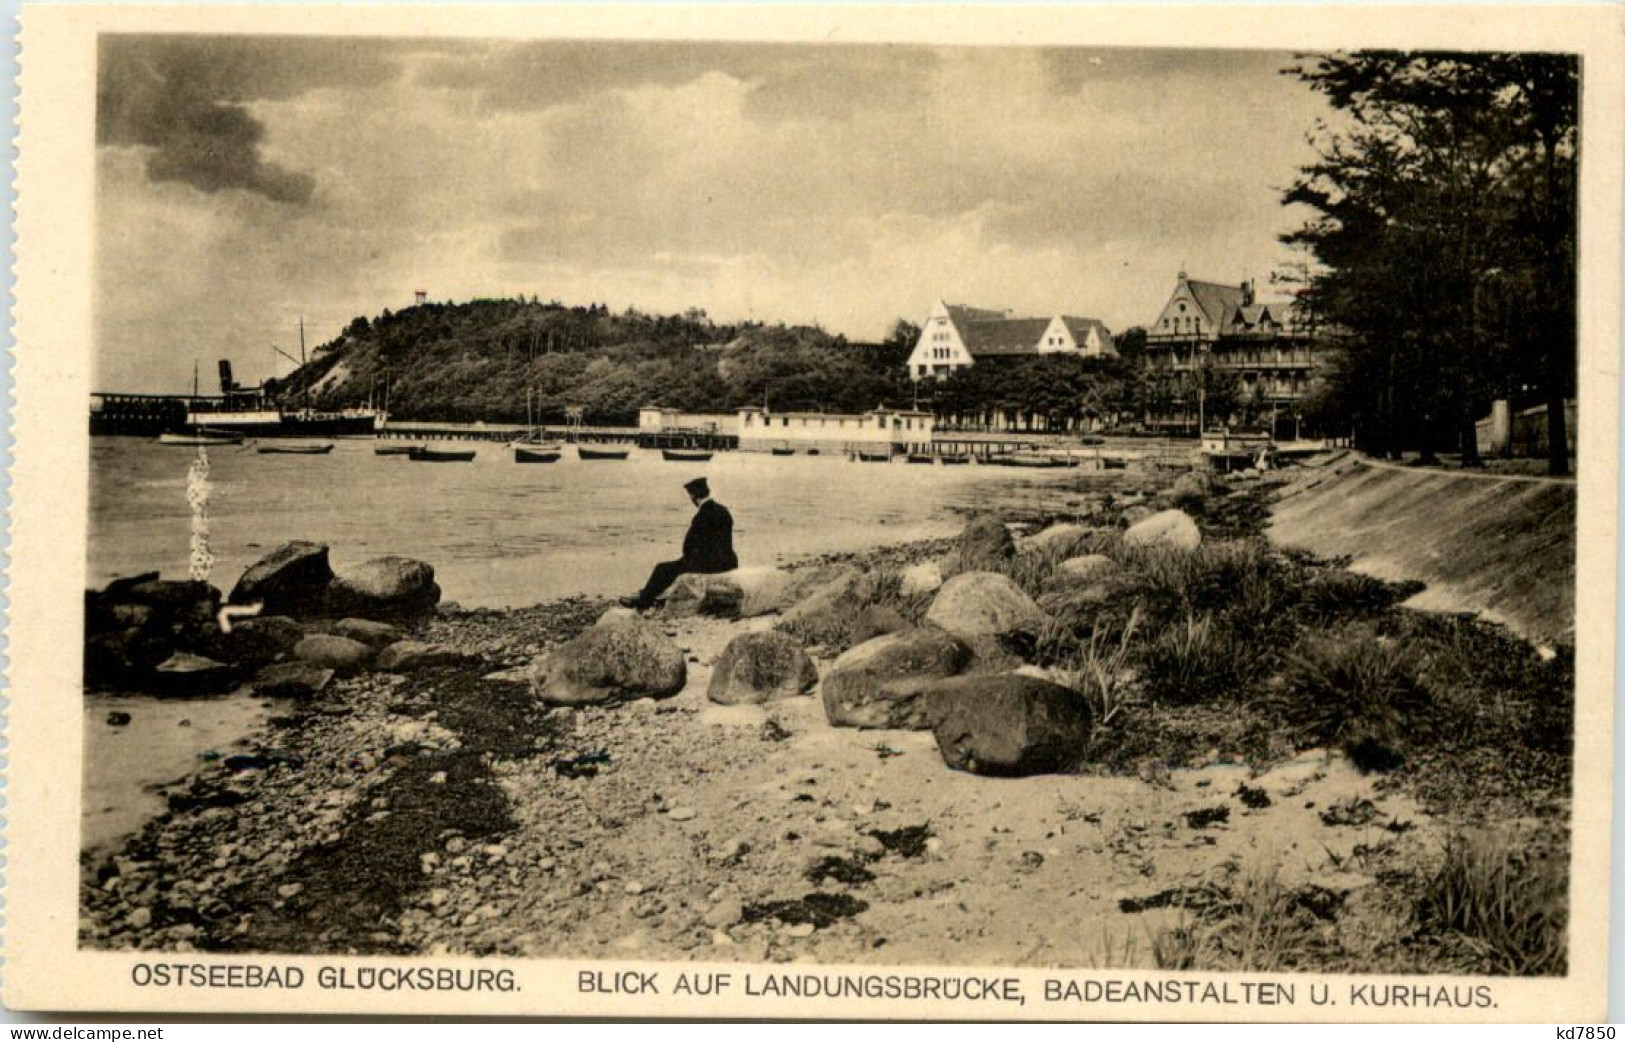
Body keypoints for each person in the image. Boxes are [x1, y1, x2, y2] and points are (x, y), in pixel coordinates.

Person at [620, 477, 738, 610]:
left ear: (693, 496)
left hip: (710, 564)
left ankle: (643, 602)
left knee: (662, 569)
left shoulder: (701, 515)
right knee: (676, 566)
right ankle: (655, 595)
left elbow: (688, 546)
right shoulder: (723, 510)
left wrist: (686, 559)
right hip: (729, 561)